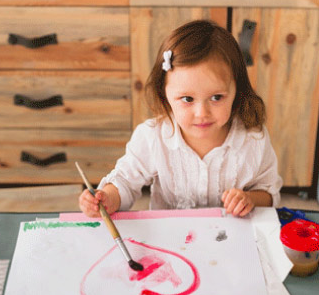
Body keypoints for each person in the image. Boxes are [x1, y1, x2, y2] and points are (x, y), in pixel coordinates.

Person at [79, 19, 282, 218]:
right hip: (170, 241)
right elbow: (124, 182)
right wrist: (106, 198)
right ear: (164, 94)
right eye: (187, 99)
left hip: (230, 239)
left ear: (237, 90)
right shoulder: (153, 137)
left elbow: (269, 193)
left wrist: (249, 199)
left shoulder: (253, 139)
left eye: (216, 97)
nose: (202, 113)